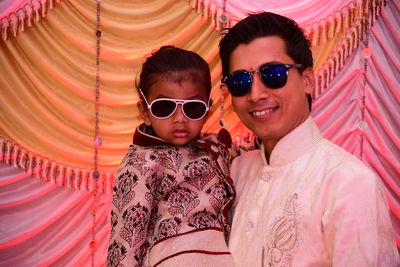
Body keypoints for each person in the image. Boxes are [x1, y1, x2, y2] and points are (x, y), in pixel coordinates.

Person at [219, 12, 399, 266]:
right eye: (240, 81)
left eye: (273, 74)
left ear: (308, 81)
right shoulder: (236, 171)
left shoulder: (350, 184)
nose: (255, 94)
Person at [106, 46, 237, 267]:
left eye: (192, 108)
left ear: (207, 110)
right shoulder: (142, 162)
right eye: (164, 107)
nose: (179, 119)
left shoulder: (215, 147)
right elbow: (126, 239)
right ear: (145, 113)